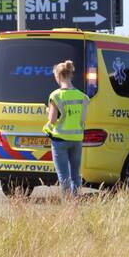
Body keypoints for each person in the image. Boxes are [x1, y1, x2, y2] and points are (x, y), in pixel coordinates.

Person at [44, 60, 90, 197]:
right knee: (76, 174)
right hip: (77, 139)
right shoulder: (83, 97)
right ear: (71, 75)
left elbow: (52, 120)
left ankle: (68, 206)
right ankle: (75, 201)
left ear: (58, 76)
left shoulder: (56, 96)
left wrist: (48, 111)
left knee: (64, 176)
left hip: (60, 140)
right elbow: (81, 120)